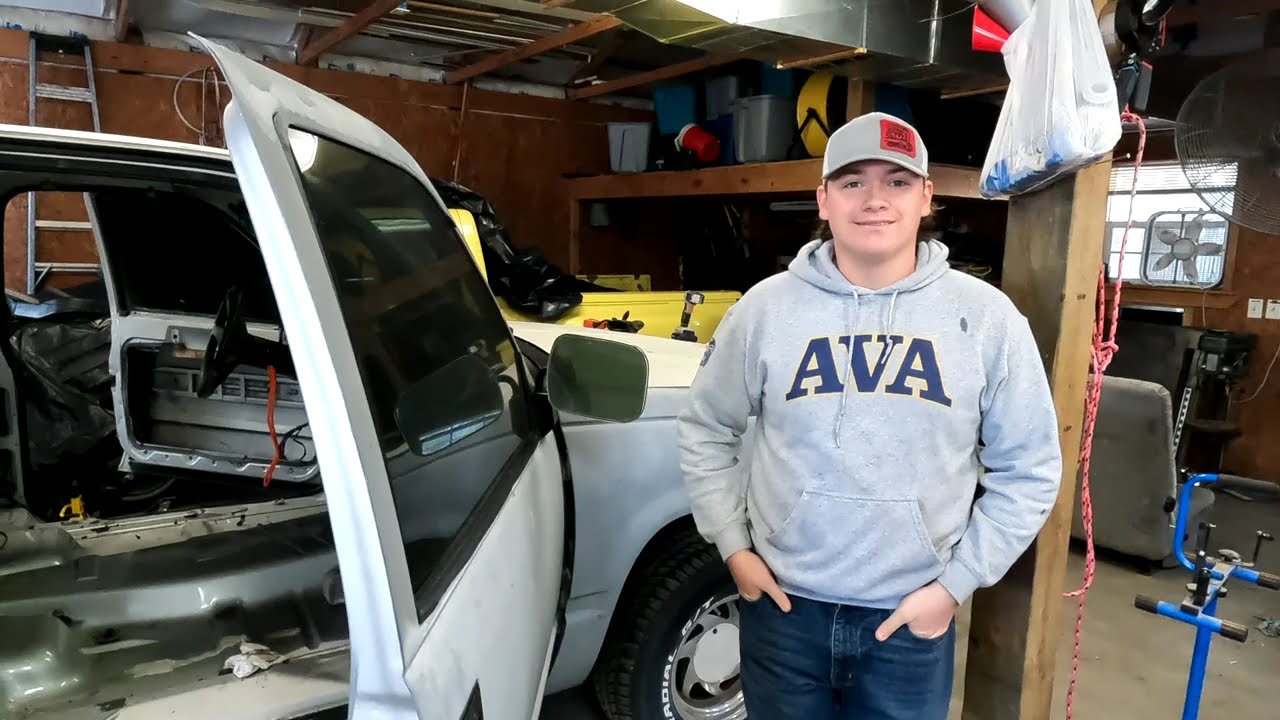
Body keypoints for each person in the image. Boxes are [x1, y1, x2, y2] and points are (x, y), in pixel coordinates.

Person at [675, 111, 1064, 719]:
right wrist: (733, 548)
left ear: (927, 198)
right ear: (823, 199)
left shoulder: (988, 320)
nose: (875, 199)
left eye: (897, 181)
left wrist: (954, 587)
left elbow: (1031, 470)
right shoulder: (765, 311)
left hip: (910, 620)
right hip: (782, 610)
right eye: (853, 181)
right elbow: (706, 428)